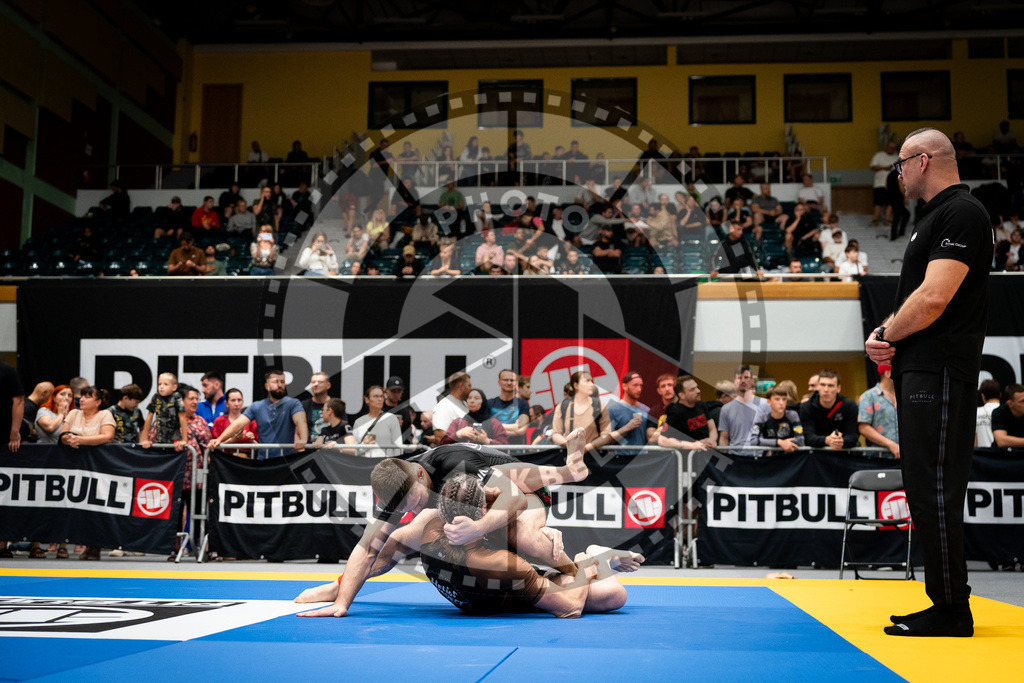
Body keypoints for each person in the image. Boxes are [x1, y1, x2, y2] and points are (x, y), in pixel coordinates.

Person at [865, 127, 993, 638]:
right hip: (925, 369)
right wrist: (887, 334)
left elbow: (935, 297)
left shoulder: (961, 212)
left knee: (935, 488)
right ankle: (945, 602)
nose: (896, 174)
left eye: (899, 164)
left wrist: (884, 335)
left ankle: (952, 609)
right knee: (925, 488)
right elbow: (919, 297)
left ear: (922, 161)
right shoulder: (934, 218)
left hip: (939, 369)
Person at [293, 429, 593, 617]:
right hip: (479, 502)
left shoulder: (454, 463)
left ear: (420, 475)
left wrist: (478, 528)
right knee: (398, 538)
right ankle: (339, 585)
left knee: (522, 534)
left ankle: (576, 570)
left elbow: (515, 499)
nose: (410, 509)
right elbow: (367, 548)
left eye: (413, 500)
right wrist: (343, 600)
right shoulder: (396, 486)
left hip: (525, 493)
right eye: (403, 506)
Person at [353, 474, 643, 618]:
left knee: (613, 596)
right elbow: (384, 553)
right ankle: (591, 560)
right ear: (483, 510)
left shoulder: (429, 526)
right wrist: (343, 587)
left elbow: (570, 608)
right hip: (505, 568)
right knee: (613, 593)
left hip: (524, 589)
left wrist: (588, 567)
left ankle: (592, 556)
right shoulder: (429, 527)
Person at [208, 369, 307, 459]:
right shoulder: (257, 406)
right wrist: (219, 439)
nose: (280, 385)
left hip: (287, 460)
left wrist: (303, 439)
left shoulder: (294, 403)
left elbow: (301, 421)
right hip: (264, 460)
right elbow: (238, 424)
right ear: (267, 386)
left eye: (282, 382)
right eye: (275, 382)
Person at [550, 371, 611, 453]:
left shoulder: (599, 405)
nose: (592, 384)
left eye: (591, 381)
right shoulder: (563, 406)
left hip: (593, 455)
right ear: (576, 385)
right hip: (569, 455)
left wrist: (589, 447)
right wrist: (568, 444)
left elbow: (606, 434)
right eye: (587, 381)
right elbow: (556, 433)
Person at [798, 370, 859, 450]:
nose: (826, 389)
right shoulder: (806, 407)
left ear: (838, 388)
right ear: (817, 387)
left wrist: (841, 441)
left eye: (830, 386)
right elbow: (808, 437)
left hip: (844, 452)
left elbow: (853, 435)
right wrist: (827, 440)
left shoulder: (849, 405)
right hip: (816, 454)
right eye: (822, 385)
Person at [658, 375, 713, 451]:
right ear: (682, 395)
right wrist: (692, 445)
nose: (698, 391)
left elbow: (712, 428)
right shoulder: (675, 413)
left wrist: (712, 440)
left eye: (697, 387)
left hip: (706, 452)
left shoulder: (701, 405)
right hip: (688, 455)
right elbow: (661, 440)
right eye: (692, 389)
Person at [717, 365, 767, 448]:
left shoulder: (765, 404)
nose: (743, 381)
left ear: (752, 381)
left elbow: (771, 434)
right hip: (735, 454)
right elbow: (723, 438)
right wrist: (724, 454)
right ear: (735, 381)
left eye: (746, 377)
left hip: (758, 454)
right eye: (739, 378)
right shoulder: (726, 409)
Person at [606, 371, 655, 453]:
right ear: (624, 386)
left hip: (643, 457)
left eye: (641, 385)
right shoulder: (613, 410)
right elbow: (606, 439)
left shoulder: (646, 410)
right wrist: (627, 427)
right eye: (635, 385)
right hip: (621, 457)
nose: (639, 389)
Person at [750, 385, 805, 455]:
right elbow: (753, 441)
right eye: (777, 399)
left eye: (784, 399)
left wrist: (783, 443)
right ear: (769, 401)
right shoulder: (762, 418)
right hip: (770, 458)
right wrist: (779, 442)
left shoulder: (792, 415)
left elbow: (801, 440)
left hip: (790, 458)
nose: (781, 403)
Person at [857, 368, 899, 458]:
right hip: (878, 457)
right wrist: (890, 444)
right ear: (888, 373)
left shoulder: (903, 396)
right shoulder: (868, 396)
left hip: (904, 458)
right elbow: (863, 428)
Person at [441, 389, 507, 446]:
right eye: (469, 398)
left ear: (483, 402)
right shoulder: (458, 422)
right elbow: (443, 443)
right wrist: (458, 434)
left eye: (476, 398)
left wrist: (487, 441)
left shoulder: (493, 423)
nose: (472, 401)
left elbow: (505, 446)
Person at [351, 385, 403, 457]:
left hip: (386, 462)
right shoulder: (359, 422)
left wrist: (395, 462)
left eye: (382, 396)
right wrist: (364, 445)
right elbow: (354, 450)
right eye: (376, 396)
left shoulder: (391, 418)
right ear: (367, 399)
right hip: (364, 462)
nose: (380, 399)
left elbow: (398, 446)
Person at [140, 373, 188, 448]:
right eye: (159, 384)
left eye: (166, 384)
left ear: (174, 387)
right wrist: (145, 439)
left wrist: (184, 439)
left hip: (175, 441)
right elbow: (149, 417)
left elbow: (182, 418)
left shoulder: (176, 396)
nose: (161, 387)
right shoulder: (156, 397)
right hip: (159, 439)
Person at [487, 369, 530, 444]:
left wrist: (495, 427)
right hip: (494, 448)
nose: (509, 383)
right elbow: (486, 428)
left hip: (516, 449)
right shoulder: (489, 403)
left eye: (512, 380)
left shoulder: (522, 404)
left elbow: (520, 428)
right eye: (506, 380)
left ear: (516, 383)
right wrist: (514, 428)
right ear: (499, 382)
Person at [212, 388, 259, 456]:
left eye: (239, 400)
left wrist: (251, 440)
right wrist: (232, 440)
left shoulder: (251, 421)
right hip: (225, 458)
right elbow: (214, 447)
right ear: (226, 403)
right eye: (233, 400)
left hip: (247, 459)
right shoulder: (219, 421)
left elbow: (260, 447)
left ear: (242, 402)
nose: (236, 404)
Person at [431, 371, 471, 443]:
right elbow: (439, 437)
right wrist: (458, 435)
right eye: (469, 385)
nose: (471, 389)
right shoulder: (444, 406)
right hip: (455, 450)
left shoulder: (465, 404)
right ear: (461, 386)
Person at [871, 140, 900, 226]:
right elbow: (872, 167)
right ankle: (875, 220)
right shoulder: (879, 155)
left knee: (890, 203)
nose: (892, 149)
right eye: (890, 147)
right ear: (886, 147)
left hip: (892, 185)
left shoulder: (896, 158)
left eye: (893, 148)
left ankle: (887, 220)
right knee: (878, 202)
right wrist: (885, 168)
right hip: (880, 183)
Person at [991, 384, 1024, 448]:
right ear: (1010, 403)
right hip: (1003, 453)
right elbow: (1001, 441)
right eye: (1022, 401)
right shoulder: (999, 413)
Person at [302, 372, 332, 442]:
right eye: (313, 382)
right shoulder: (304, 405)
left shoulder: (336, 404)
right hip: (309, 447)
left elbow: (342, 428)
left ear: (328, 385)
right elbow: (297, 428)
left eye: (320, 382)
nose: (316, 384)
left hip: (331, 447)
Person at [975, 379, 1002, 447]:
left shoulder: (976, 413)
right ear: (1000, 394)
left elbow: (974, 441)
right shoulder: (1006, 412)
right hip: (1002, 452)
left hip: (981, 453)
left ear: (982, 396)